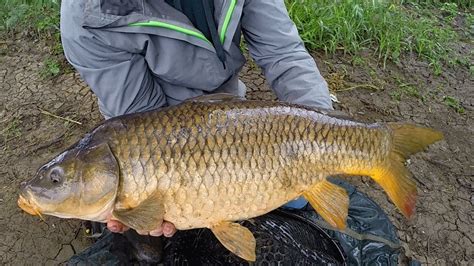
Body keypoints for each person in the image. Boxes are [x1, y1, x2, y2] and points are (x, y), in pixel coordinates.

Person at [60, 0, 332, 259]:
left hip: (227, 114)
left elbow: (283, 53)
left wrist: (325, 130)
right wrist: (158, 202)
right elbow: (146, 121)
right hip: (150, 132)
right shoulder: (87, 15)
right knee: (145, 224)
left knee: (298, 195)